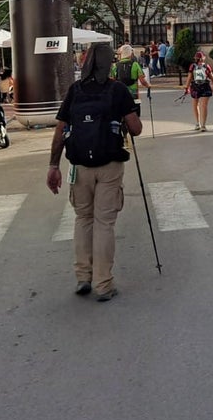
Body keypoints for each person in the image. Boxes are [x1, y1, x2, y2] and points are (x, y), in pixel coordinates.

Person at [47, 42, 142, 302]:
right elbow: (136, 129)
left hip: (79, 167)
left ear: (86, 61)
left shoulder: (75, 91)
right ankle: (103, 283)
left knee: (83, 220)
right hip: (109, 167)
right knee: (104, 224)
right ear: (109, 62)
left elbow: (60, 132)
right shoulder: (117, 90)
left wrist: (53, 166)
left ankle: (83, 276)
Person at [110, 44, 150, 115]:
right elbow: (142, 81)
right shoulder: (135, 64)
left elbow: (112, 80)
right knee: (135, 112)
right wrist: (148, 86)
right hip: (133, 93)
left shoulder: (115, 65)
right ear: (130, 53)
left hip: (119, 93)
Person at [186, 51, 213, 131]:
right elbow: (212, 77)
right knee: (204, 106)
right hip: (205, 87)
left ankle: (197, 123)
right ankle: (203, 125)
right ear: (202, 58)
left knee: (195, 105)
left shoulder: (192, 66)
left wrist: (186, 87)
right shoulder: (207, 66)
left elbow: (189, 78)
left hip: (195, 87)